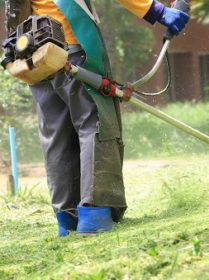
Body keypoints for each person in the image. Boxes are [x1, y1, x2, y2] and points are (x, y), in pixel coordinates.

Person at [16, 0, 189, 236]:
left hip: (35, 52)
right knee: (94, 123)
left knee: (57, 134)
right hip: (70, 48)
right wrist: (157, 11)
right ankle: (94, 216)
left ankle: (67, 221)